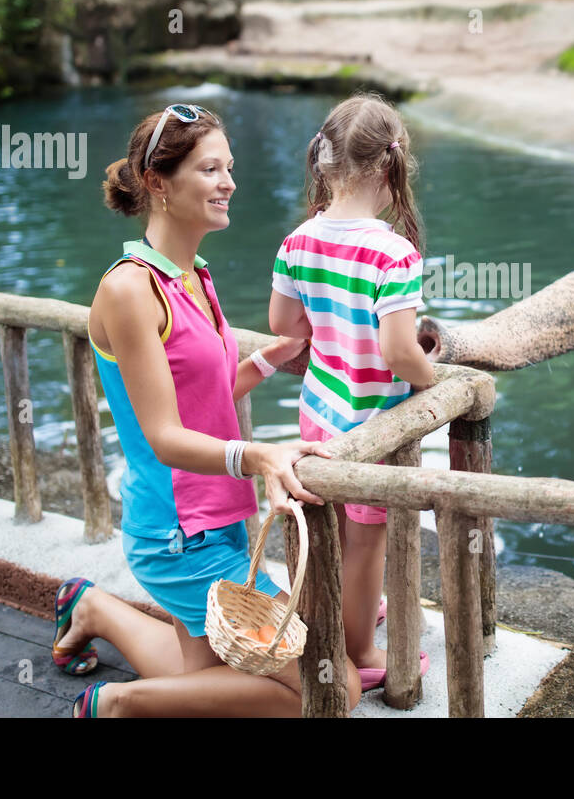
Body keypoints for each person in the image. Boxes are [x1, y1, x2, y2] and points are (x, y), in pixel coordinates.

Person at [52, 103, 363, 716]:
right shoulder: (128, 290)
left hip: (219, 516)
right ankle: (114, 705)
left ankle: (93, 609)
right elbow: (165, 436)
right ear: (158, 184)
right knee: (334, 690)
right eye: (211, 169)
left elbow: (206, 396)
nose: (230, 183)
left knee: (211, 684)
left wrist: (270, 361)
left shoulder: (195, 274)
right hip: (177, 533)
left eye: (230, 167)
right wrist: (263, 456)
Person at [269, 92, 436, 690]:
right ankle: (361, 650)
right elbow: (398, 352)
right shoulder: (393, 252)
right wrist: (431, 375)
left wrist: (333, 330)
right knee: (367, 544)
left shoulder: (301, 239)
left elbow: (284, 327)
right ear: (390, 166)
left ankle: (344, 615)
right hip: (369, 425)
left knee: (334, 526)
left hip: (319, 411)